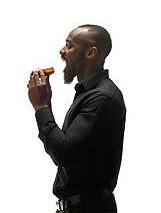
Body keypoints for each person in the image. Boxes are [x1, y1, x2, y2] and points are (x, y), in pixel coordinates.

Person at [27, 24, 126, 213]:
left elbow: (64, 152)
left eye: (69, 45)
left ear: (91, 53)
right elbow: (62, 151)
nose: (62, 51)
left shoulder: (102, 97)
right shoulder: (87, 94)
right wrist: (45, 106)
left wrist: (41, 106)